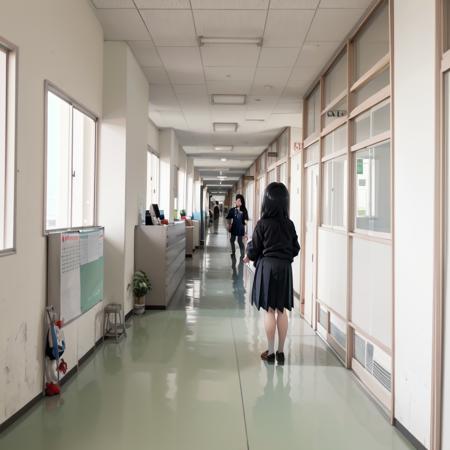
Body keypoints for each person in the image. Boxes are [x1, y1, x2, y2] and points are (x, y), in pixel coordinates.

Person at [244, 182, 300, 365]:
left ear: (266, 203)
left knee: (269, 311)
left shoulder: (263, 224)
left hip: (267, 268)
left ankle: (270, 352)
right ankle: (281, 351)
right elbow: (295, 249)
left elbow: (253, 250)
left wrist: (248, 255)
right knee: (281, 310)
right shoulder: (289, 224)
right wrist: (284, 258)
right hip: (284, 269)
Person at [226, 194, 249, 259]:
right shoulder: (233, 210)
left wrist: (246, 232)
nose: (238, 202)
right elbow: (228, 217)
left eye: (239, 201)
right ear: (235, 201)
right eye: (237, 200)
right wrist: (229, 224)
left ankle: (242, 255)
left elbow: (246, 221)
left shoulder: (244, 210)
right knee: (232, 240)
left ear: (242, 202)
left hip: (240, 228)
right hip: (234, 227)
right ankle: (233, 252)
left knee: (239, 241)